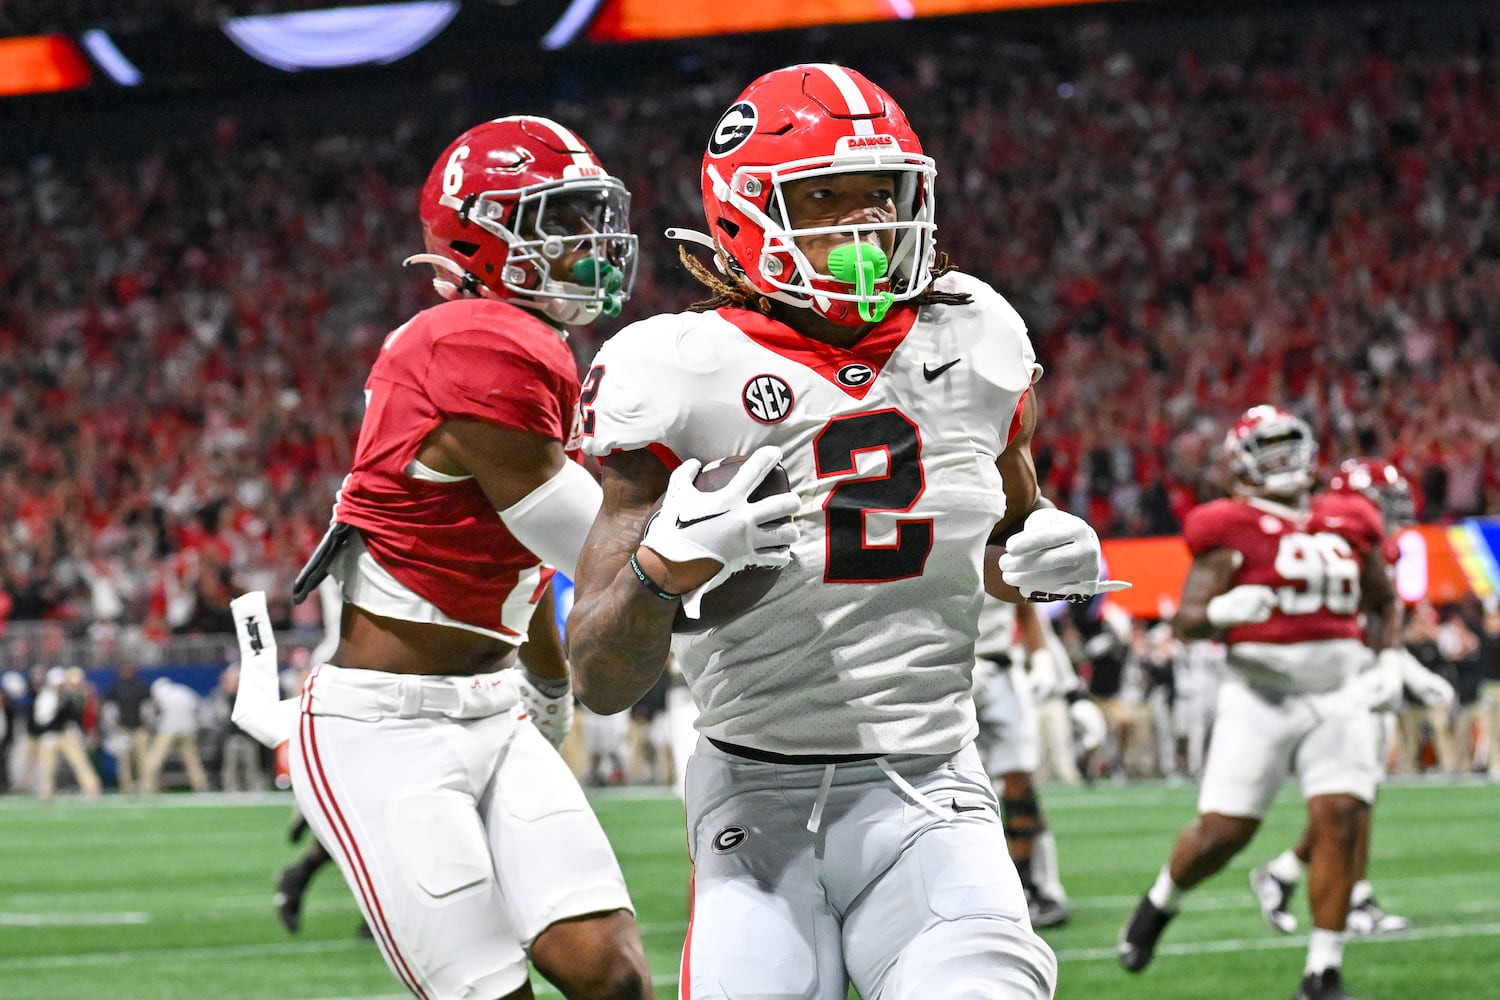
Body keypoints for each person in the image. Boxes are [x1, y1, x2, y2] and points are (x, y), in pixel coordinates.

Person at [567, 63, 1124, 1000]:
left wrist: (1051, 551)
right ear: (745, 215)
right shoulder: (679, 366)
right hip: (755, 797)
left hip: (934, 786)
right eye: (828, 200)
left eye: (886, 195)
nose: (869, 227)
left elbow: (1002, 535)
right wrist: (666, 570)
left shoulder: (976, 331)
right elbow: (599, 677)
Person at [277, 115, 654, 1000]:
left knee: (612, 976)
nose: (584, 242)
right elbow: (592, 547)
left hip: (491, 711)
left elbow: (521, 563)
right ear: (479, 233)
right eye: (556, 219)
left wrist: (550, 685)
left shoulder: (525, 344)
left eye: (586, 216)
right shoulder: (472, 340)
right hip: (384, 732)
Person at [1117, 408, 1401, 1000]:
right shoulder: (1229, 525)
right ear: (1242, 461)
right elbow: (1189, 618)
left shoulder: (1348, 518)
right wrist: (1219, 613)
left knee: (1343, 818)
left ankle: (1322, 971)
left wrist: (1391, 658)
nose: (1281, 461)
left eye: (1287, 446)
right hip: (1260, 695)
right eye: (1267, 449)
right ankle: (1159, 901)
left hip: (1339, 690)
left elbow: (1383, 599)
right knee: (1224, 833)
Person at [1249, 458, 1454, 938]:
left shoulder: (1368, 549)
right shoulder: (1335, 545)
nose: (1393, 512)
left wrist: (1401, 664)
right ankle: (1345, 894)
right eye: (1383, 502)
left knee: (1359, 797)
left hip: (1362, 677)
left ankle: (1287, 874)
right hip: (1341, 684)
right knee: (1350, 797)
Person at [972, 597, 1092, 928]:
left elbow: (1026, 604)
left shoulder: (1000, 549)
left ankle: (1031, 885)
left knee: (1020, 783)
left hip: (1001, 671)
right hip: (949, 672)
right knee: (954, 789)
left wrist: (1062, 683)